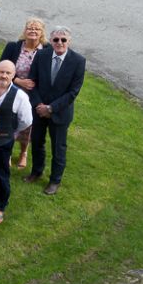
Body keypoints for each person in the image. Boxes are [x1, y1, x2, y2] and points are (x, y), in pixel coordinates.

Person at [25, 25, 86, 195]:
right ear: (51, 41)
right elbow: (32, 81)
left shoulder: (78, 61)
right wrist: (39, 105)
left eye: (63, 39)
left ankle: (55, 181)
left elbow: (73, 92)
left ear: (69, 41)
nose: (60, 42)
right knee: (37, 142)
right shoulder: (41, 55)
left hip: (60, 113)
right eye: (56, 39)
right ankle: (36, 172)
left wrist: (51, 108)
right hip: (39, 110)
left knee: (58, 148)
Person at [0, 61, 33, 224]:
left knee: (1, 175)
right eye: (1, 72)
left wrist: (11, 131)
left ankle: (0, 206)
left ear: (13, 75)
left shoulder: (20, 96)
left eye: (8, 73)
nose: (4, 75)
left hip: (3, 143)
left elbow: (26, 121)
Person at [1, 17, 48, 168]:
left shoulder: (47, 50)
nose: (33, 31)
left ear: (42, 32)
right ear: (24, 30)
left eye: (37, 29)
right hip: (12, 90)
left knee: (27, 124)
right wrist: (18, 81)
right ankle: (7, 152)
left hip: (33, 95)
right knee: (9, 122)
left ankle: (23, 153)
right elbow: (2, 67)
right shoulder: (13, 47)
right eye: (30, 28)